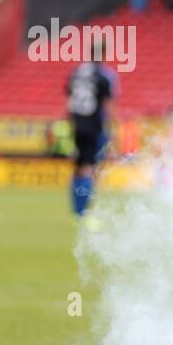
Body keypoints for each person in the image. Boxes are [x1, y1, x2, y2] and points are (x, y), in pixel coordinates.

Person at [65, 39, 117, 218]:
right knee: (89, 167)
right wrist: (111, 128)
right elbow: (108, 104)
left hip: (77, 124)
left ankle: (76, 207)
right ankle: (83, 211)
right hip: (94, 126)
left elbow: (69, 99)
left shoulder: (77, 72)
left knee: (79, 166)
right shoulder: (105, 75)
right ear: (103, 54)